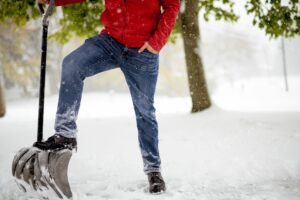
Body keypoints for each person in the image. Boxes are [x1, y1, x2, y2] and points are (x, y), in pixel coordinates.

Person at [35, 0, 180, 194]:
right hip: (111, 42)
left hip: (143, 50)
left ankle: (153, 170)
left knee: (145, 111)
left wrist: (156, 42)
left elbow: (172, 5)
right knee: (72, 65)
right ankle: (66, 135)